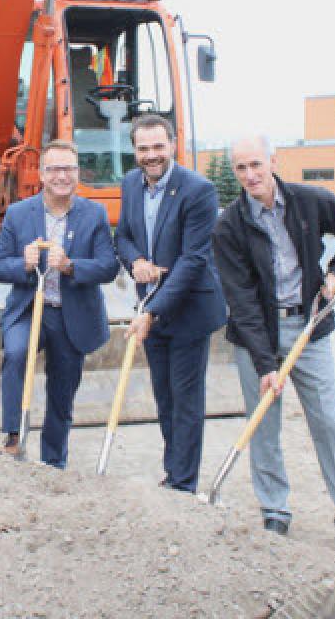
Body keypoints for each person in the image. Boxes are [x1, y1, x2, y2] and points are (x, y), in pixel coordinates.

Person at [213, 133, 335, 549]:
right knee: (263, 424)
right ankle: (275, 511)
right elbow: (241, 300)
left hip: (308, 328)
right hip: (256, 336)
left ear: (273, 163)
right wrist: (266, 364)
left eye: (256, 165)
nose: (250, 175)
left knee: (328, 422)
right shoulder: (230, 224)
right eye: (241, 168)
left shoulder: (309, 202)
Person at [115, 114, 227, 492]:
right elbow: (124, 236)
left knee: (186, 401)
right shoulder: (131, 184)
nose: (151, 155)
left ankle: (183, 484)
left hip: (189, 310)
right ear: (134, 151)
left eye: (158, 146)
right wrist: (136, 262)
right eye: (143, 148)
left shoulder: (198, 191)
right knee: (164, 398)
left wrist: (151, 311)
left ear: (173, 145)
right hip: (154, 308)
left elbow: (193, 260)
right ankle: (173, 472)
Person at [0, 140, 120, 465]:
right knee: (17, 353)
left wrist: (71, 266)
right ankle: (13, 436)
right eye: (55, 169)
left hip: (70, 315)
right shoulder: (19, 214)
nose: (62, 175)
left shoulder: (94, 214)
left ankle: (53, 462)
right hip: (28, 310)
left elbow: (108, 266)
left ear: (78, 173)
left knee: (62, 392)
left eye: (69, 168)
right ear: (42, 174)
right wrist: (24, 263)